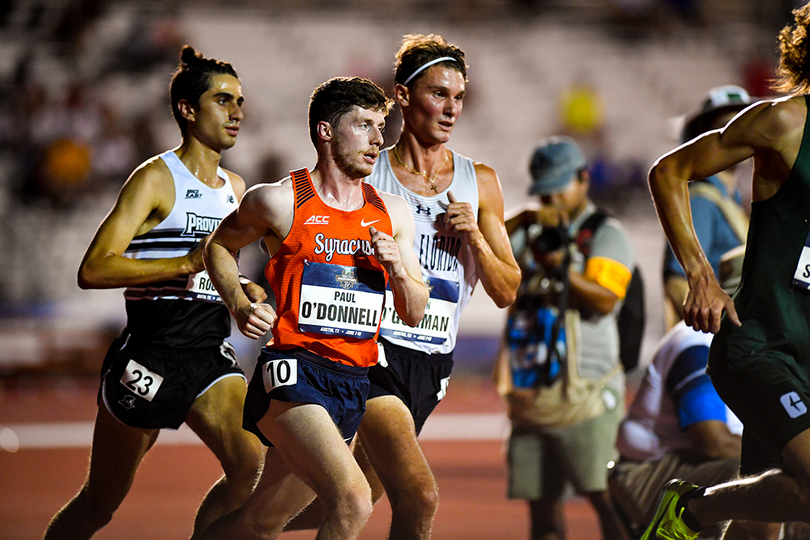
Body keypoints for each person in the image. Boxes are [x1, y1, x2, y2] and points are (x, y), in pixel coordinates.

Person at [285, 33, 521, 540]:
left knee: (358, 494)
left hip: (432, 361)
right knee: (419, 496)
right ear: (404, 96)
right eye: (439, 94)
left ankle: (240, 529)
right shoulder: (369, 173)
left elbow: (508, 289)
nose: (452, 108)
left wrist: (475, 236)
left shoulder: (479, 182)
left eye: (459, 97)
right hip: (371, 351)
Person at [43, 46, 265, 540]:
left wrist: (248, 293)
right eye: (223, 100)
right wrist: (185, 261)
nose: (237, 113)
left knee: (252, 468)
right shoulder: (155, 178)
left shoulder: (236, 187)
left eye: (240, 101)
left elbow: (223, 273)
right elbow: (94, 267)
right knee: (99, 504)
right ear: (188, 109)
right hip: (148, 359)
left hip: (209, 355)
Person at [199, 76, 429, 540]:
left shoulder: (393, 213)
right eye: (364, 125)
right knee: (353, 499)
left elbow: (414, 311)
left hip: (353, 383)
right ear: (325, 131)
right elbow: (218, 246)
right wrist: (239, 302)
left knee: (260, 521)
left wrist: (399, 272)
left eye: (381, 127)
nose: (378, 139)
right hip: (293, 372)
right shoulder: (280, 201)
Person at [641, 3, 810, 539]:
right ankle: (690, 511)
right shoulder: (786, 121)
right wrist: (700, 273)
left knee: (766, 525)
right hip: (760, 345)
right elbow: (670, 171)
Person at [495, 136, 633, 540]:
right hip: (531, 390)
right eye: (543, 189)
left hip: (587, 392)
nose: (552, 197)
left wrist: (560, 269)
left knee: (609, 502)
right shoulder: (529, 232)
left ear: (584, 179)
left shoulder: (604, 233)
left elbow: (605, 301)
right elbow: (481, 256)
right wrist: (521, 222)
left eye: (560, 185)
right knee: (542, 513)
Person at [609, 304, 743, 537]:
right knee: (756, 479)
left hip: (688, 462)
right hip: (648, 470)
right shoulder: (698, 345)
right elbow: (713, 442)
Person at [662, 85, 752, 327]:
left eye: (744, 124)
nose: (738, 135)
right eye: (726, 126)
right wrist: (716, 331)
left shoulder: (731, 199)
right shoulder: (702, 199)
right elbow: (678, 282)